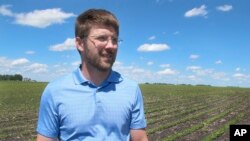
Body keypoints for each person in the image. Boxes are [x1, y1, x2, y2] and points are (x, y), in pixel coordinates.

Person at [36, 8, 148, 141]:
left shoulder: (131, 89)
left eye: (115, 40)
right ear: (80, 43)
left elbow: (140, 138)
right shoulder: (54, 91)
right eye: (102, 38)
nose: (111, 46)